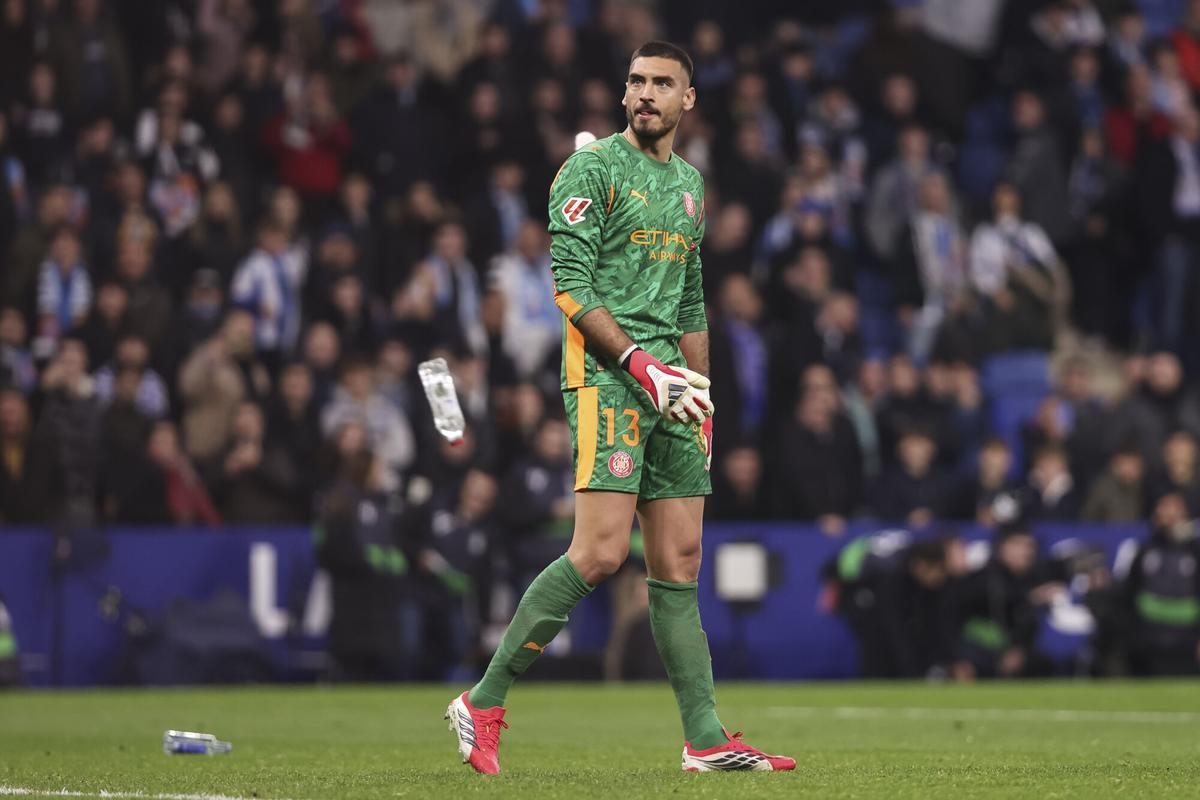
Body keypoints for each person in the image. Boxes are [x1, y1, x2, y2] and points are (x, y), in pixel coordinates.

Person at [445, 41, 794, 775]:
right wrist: (640, 365)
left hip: (674, 388)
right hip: (609, 378)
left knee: (679, 561)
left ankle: (703, 737)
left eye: (662, 83)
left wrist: (702, 396)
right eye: (636, 80)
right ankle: (483, 700)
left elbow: (691, 297)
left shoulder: (692, 186)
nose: (645, 93)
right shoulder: (591, 167)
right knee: (602, 553)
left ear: (687, 101)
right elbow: (568, 287)